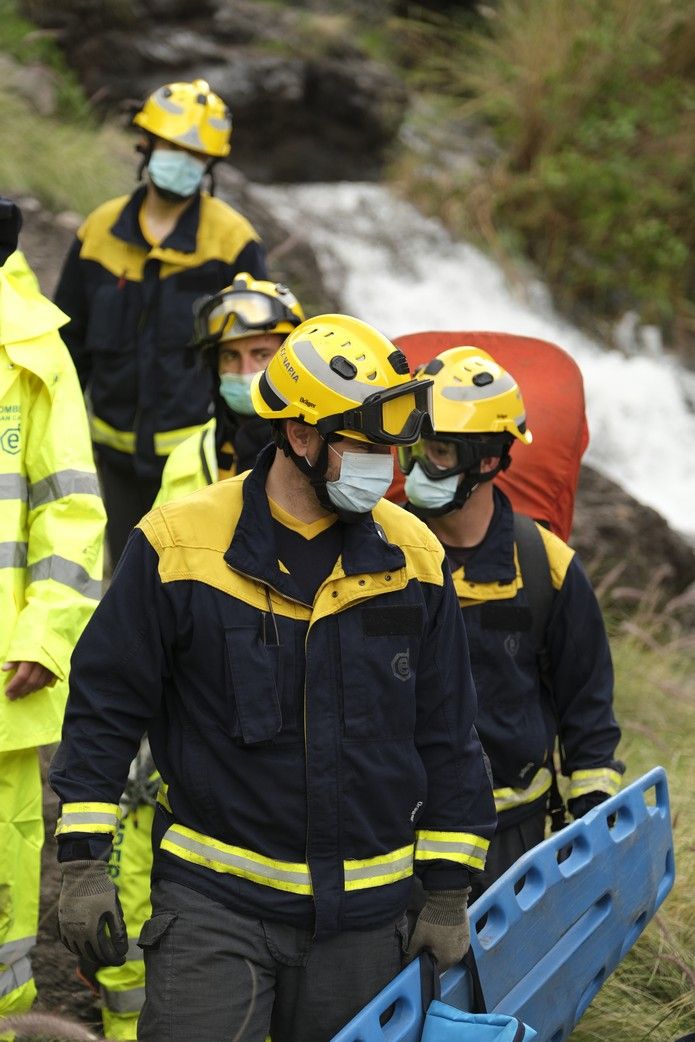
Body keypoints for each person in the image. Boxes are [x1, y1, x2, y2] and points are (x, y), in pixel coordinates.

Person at [50, 315, 497, 1042]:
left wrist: (447, 895)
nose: (381, 469)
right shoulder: (179, 544)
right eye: (360, 445)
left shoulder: (413, 555)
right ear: (297, 435)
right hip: (213, 911)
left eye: (390, 449)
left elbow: (447, 731)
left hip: (365, 920)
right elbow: (104, 707)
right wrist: (81, 861)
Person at [90, 275, 305, 1041]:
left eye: (267, 354)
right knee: (146, 866)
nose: (250, 373)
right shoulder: (186, 461)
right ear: (210, 369)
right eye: (234, 358)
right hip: (189, 706)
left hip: (287, 719)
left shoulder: (326, 465)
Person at [399, 346, 622, 899]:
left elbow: (589, 717)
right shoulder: (382, 555)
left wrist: (589, 825)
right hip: (396, 836)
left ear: (489, 460)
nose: (421, 467)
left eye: (441, 451)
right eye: (418, 447)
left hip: (511, 842)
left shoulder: (547, 568)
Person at [53, 78, 268, 565]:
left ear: (211, 164)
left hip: (200, 460)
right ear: (146, 144)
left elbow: (262, 354)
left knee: (194, 581)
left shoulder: (233, 241)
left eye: (195, 153)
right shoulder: (99, 230)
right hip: (111, 458)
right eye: (172, 146)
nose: (181, 160)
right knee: (129, 578)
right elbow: (69, 348)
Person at [0, 197, 106, 1024]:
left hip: (3, 678)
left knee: (3, 896)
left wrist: (45, 635)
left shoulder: (32, 349)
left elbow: (70, 510)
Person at [155, 273, 305, 505]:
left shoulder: (322, 452)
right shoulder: (186, 458)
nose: (245, 370)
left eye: (261, 354)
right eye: (231, 356)